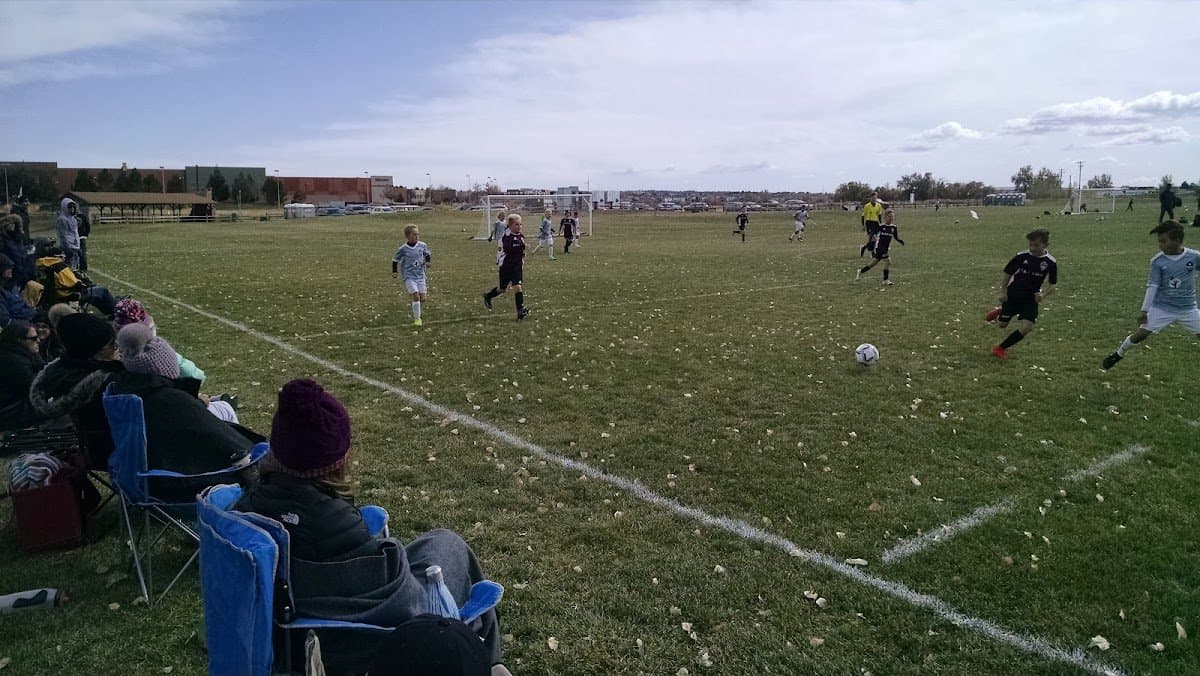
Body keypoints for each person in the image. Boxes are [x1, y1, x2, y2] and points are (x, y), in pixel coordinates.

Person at [235, 379, 502, 672]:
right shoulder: (334, 527)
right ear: (335, 461)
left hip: (290, 622)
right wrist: (391, 553)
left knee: (435, 542)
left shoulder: (252, 505)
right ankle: (486, 662)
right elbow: (402, 601)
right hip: (355, 639)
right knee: (449, 546)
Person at [110, 323, 259, 496]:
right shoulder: (170, 401)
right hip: (177, 483)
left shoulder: (125, 391)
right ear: (164, 367)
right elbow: (226, 442)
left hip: (141, 476)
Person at [29, 313, 125, 467]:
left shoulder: (62, 369)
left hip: (88, 445)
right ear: (93, 350)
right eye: (111, 344)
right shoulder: (107, 382)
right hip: (109, 451)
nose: (116, 347)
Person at [1101, 221, 1199, 370]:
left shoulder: (1193, 257)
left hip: (1188, 309)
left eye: (1164, 241)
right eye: (1159, 241)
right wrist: (1144, 310)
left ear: (1177, 240)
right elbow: (1152, 286)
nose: (1160, 245)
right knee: (1140, 335)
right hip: (1163, 308)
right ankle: (1118, 354)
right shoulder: (1158, 261)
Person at [984, 228, 1057, 359]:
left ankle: (1000, 348)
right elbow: (1007, 274)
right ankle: (1000, 312)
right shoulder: (1021, 257)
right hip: (1013, 294)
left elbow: (1053, 285)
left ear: (1046, 245)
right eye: (1031, 245)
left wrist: (1043, 295)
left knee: (1028, 326)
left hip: (1031, 298)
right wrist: (1003, 291)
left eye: (1036, 245)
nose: (1033, 248)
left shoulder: (1051, 262)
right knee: (1002, 325)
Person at [0, 320, 49, 431]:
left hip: (20, 406)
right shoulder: (12, 361)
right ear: (18, 341)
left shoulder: (25, 356)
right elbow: (36, 387)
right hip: (12, 411)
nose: (38, 340)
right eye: (33, 338)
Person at [482, 214, 529, 320]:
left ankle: (520, 310)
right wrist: (522, 247)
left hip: (516, 266)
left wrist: (523, 253)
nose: (519, 227)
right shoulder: (506, 236)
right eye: (517, 224)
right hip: (506, 267)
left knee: (518, 286)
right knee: (502, 289)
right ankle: (488, 296)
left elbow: (520, 249)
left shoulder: (521, 236)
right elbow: (509, 248)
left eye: (520, 224)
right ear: (510, 225)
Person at [391, 225, 432, 327]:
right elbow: (395, 260)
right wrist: (394, 271)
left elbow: (427, 254)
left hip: (420, 276)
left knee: (423, 298)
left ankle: (416, 305)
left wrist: (428, 262)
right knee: (416, 296)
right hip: (409, 276)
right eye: (414, 234)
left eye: (417, 234)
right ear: (407, 236)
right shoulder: (403, 249)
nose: (417, 236)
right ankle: (417, 319)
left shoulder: (422, 245)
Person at [855, 209, 904, 285]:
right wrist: (872, 241)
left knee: (874, 263)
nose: (891, 218)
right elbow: (874, 234)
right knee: (888, 262)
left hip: (885, 248)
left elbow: (896, 237)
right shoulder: (881, 226)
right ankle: (885, 280)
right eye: (889, 216)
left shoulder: (894, 227)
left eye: (892, 217)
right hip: (879, 248)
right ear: (885, 217)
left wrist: (900, 241)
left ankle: (860, 271)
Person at [0, 254, 36, 327]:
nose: (11, 269)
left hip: (31, 315)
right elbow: (6, 321)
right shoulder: (2, 293)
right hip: (25, 325)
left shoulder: (10, 287)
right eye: (8, 267)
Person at [2, 215, 35, 286]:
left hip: (22, 271)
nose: (12, 226)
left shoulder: (17, 237)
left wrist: (27, 250)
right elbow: (14, 254)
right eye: (10, 224)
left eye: (14, 224)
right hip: (13, 273)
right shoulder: (3, 239)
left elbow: (20, 251)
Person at [55, 197, 82, 270]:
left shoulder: (73, 219)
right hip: (68, 247)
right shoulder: (62, 219)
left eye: (73, 207)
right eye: (70, 207)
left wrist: (78, 246)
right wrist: (67, 248)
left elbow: (75, 233)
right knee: (68, 268)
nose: (72, 209)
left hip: (75, 246)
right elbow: (63, 235)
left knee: (75, 267)